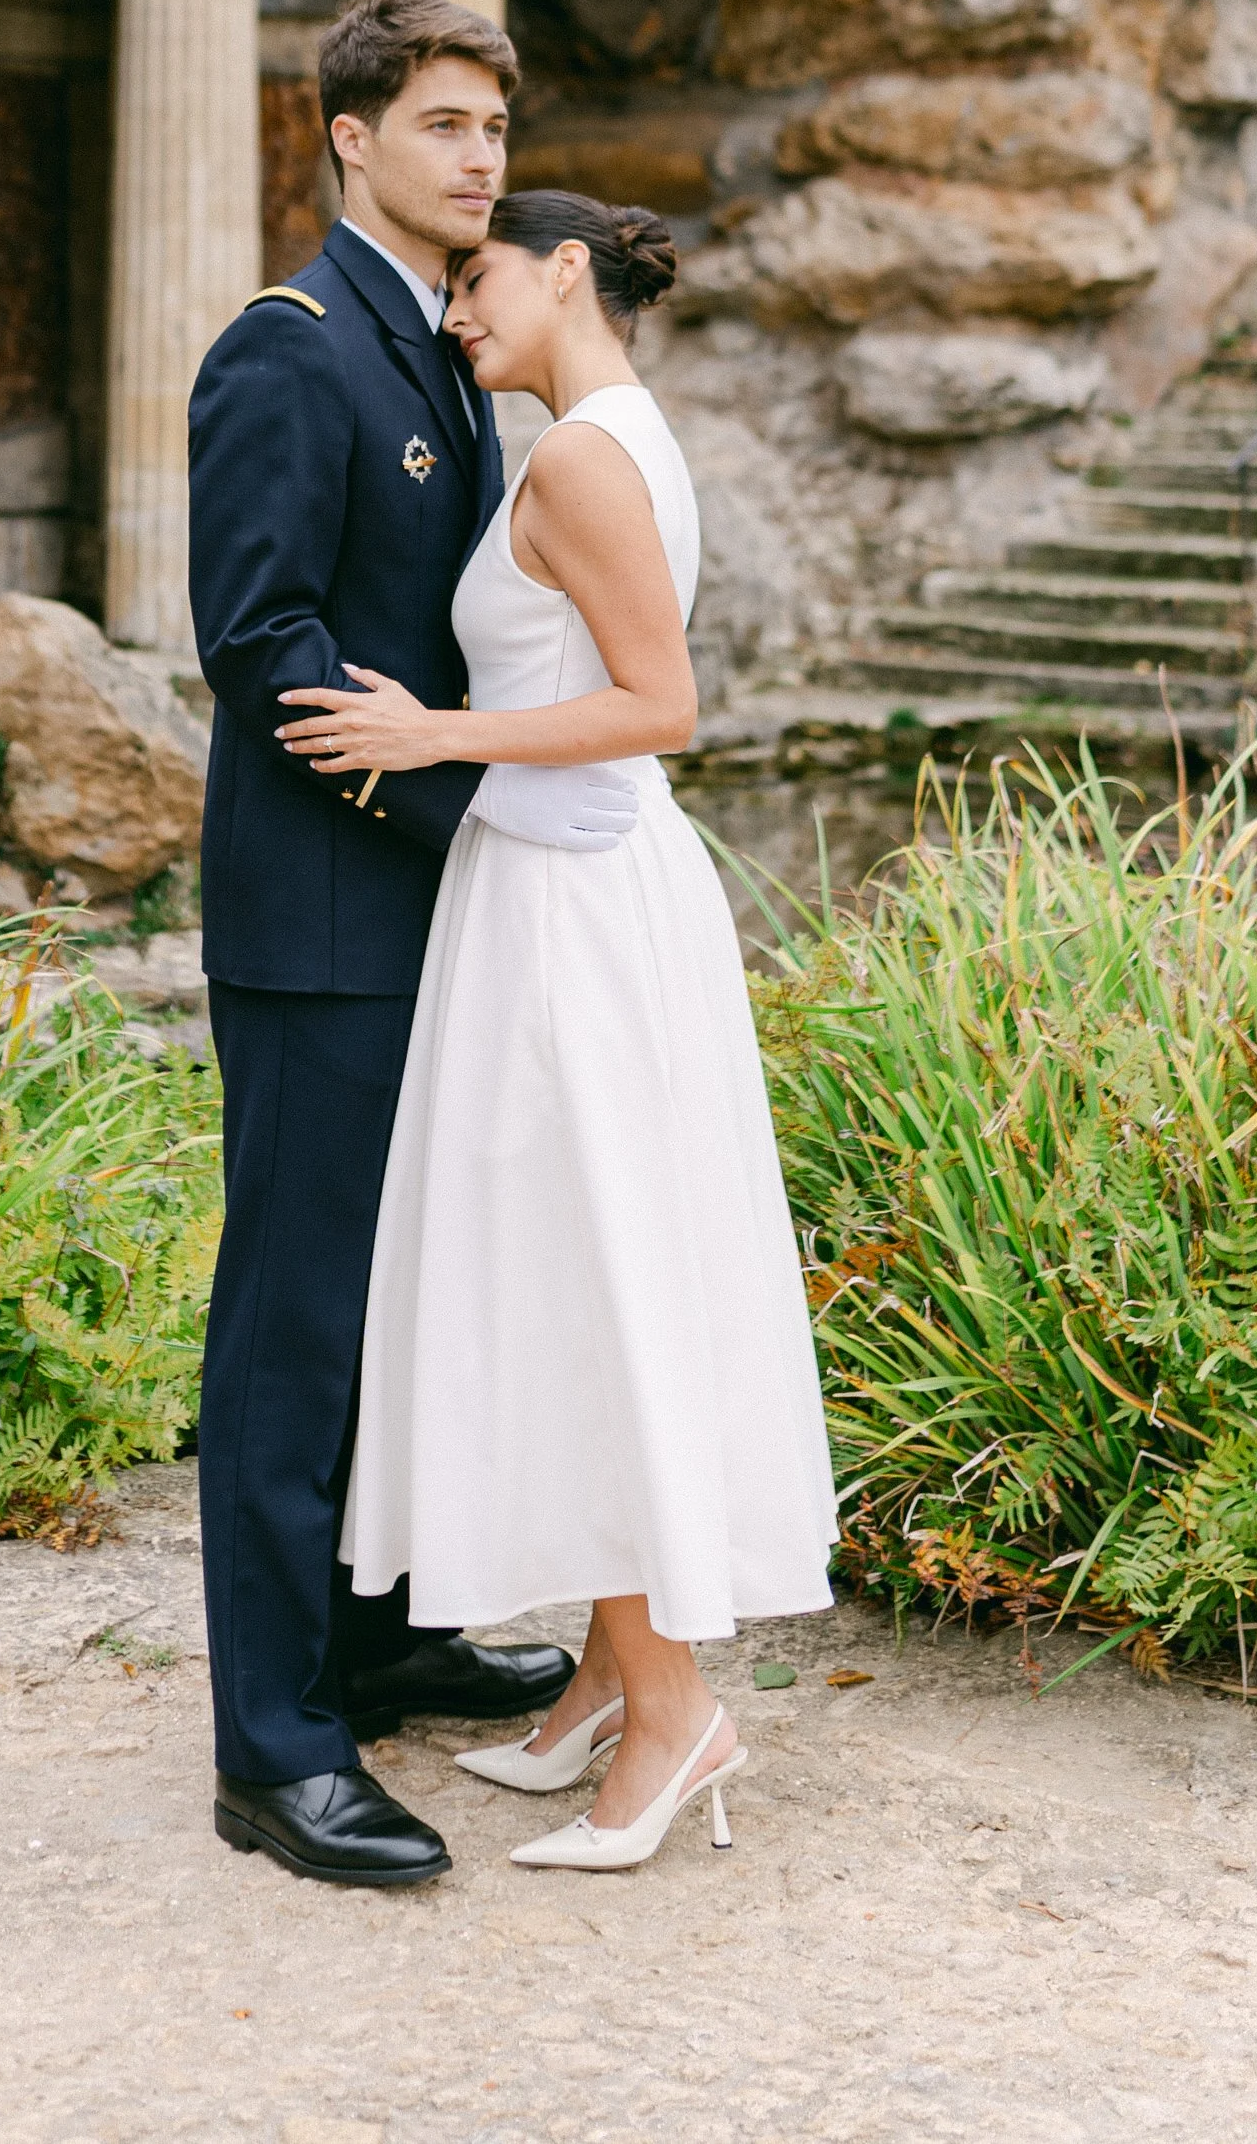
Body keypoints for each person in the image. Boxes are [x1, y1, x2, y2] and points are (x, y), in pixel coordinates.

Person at [281, 189, 837, 1873]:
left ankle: (674, 1716)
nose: (455, 312)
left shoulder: (586, 457)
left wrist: (426, 726)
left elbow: (660, 704)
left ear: (565, 272)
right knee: (590, 1268)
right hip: (565, 896)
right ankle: (607, 1677)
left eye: (478, 279)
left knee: (589, 1283)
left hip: (578, 913)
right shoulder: (608, 436)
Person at [187, 0, 643, 1892]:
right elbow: (262, 642)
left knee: (395, 1304)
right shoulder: (289, 352)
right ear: (351, 137)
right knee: (294, 1332)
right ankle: (275, 1747)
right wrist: (470, 800)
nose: (481, 160)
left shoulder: (455, 347)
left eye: (494, 132)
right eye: (444, 125)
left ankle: (373, 1641)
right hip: (323, 922)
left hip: (435, 915)